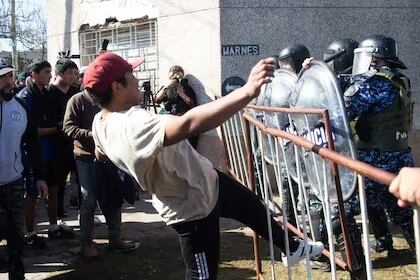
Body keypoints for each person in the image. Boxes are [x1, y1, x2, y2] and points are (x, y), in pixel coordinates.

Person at [86, 52, 324, 279]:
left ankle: (291, 248)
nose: (138, 80)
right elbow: (188, 124)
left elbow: (99, 152)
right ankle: (290, 247)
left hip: (206, 181)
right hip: (191, 208)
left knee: (252, 206)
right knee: (201, 274)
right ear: (117, 88)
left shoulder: (100, 121)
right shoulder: (132, 124)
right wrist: (247, 91)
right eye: (131, 75)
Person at [344, 34, 415, 254]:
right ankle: (403, 245)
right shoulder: (399, 79)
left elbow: (345, 110)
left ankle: (356, 266)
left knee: (344, 212)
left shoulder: (374, 84)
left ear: (375, 59)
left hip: (375, 160)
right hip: (399, 155)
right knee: (399, 211)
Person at [63, 88, 139, 258]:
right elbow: (68, 128)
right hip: (85, 158)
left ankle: (115, 238)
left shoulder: (109, 97)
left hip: (110, 156)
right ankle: (87, 243)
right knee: (88, 199)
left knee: (113, 197)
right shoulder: (77, 100)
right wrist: (94, 134)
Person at [17, 60, 74, 247]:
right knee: (32, 192)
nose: (50, 75)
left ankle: (53, 227)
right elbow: (30, 131)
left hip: (51, 150)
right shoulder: (26, 96)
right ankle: (30, 234)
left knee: (54, 186)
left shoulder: (46, 93)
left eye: (50, 72)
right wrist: (55, 129)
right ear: (34, 74)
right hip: (33, 152)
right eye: (46, 72)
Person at [0, 58, 48, 280]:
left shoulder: (21, 107)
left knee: (16, 236)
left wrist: (39, 177)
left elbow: (33, 144)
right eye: (2, 77)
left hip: (13, 181)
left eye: (10, 75)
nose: (8, 81)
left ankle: (16, 275)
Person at [49, 58, 80, 220]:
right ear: (59, 73)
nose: (73, 77)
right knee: (58, 183)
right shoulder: (49, 93)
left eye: (75, 73)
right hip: (57, 145)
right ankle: (58, 217)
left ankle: (84, 214)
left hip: (75, 143)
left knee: (81, 180)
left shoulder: (75, 92)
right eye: (69, 73)